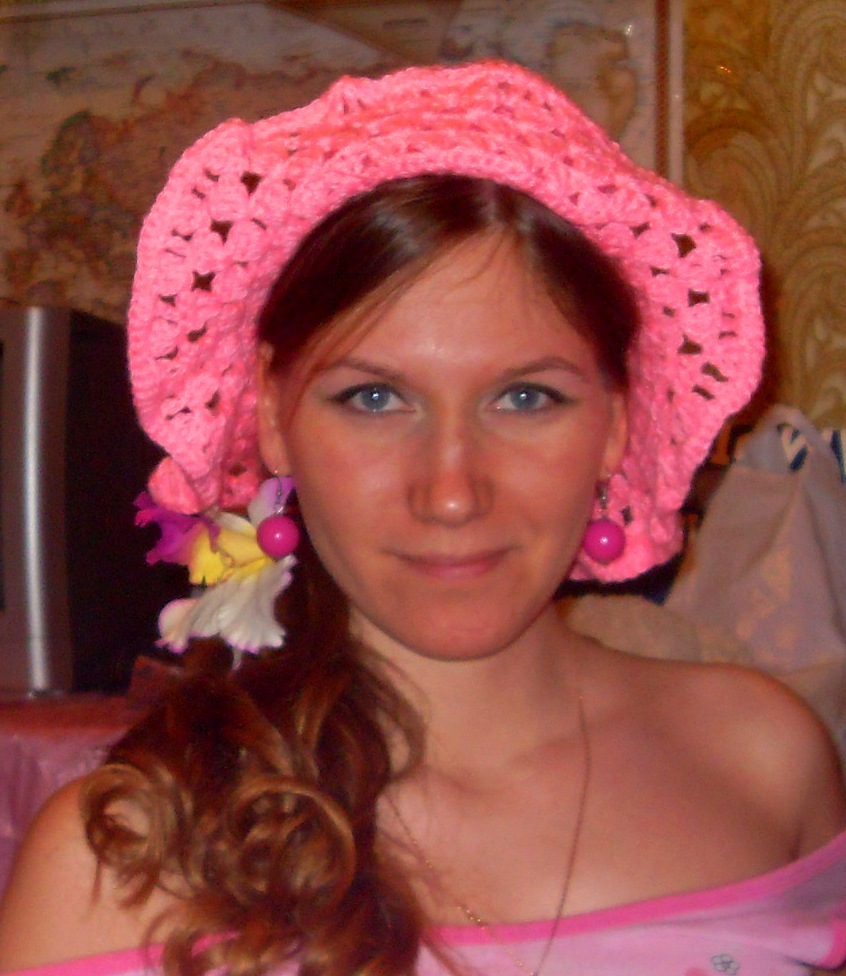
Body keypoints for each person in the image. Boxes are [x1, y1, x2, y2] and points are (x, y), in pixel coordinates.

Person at [0, 60, 844, 976]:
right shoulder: (121, 865)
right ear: (273, 415)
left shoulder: (765, 763)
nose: (451, 492)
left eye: (525, 397)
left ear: (617, 422)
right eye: (373, 398)